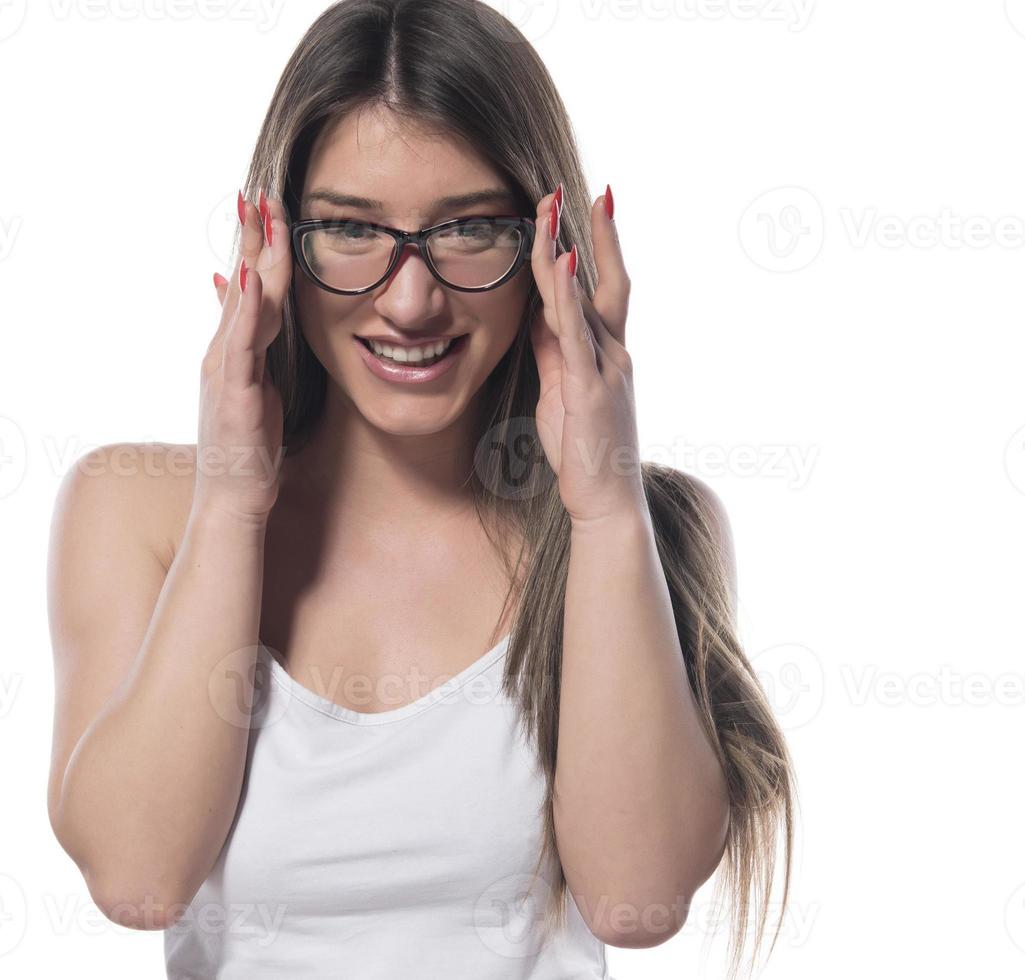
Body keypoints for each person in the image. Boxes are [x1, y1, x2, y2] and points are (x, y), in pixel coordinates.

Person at [45, 1, 794, 975]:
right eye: (352, 229)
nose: (410, 299)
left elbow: (633, 896)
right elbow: (137, 878)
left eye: (470, 229)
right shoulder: (135, 508)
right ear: (273, 239)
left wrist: (604, 502)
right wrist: (232, 500)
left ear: (548, 243)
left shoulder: (646, 524)